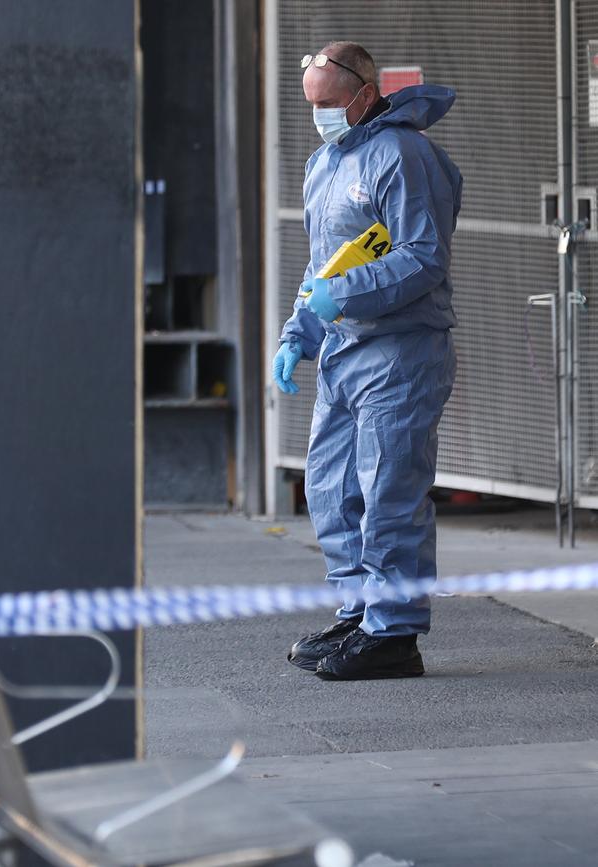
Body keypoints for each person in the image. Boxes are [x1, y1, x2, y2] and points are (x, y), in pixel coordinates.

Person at [272, 42, 462, 681]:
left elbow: (422, 256)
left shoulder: (403, 157)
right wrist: (298, 331)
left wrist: (341, 296)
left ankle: (394, 634)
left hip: (401, 352)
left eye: (328, 103)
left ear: (364, 91)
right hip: (345, 350)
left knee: (389, 493)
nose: (320, 115)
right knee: (332, 489)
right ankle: (359, 614)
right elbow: (322, 265)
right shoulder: (326, 163)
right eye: (312, 105)